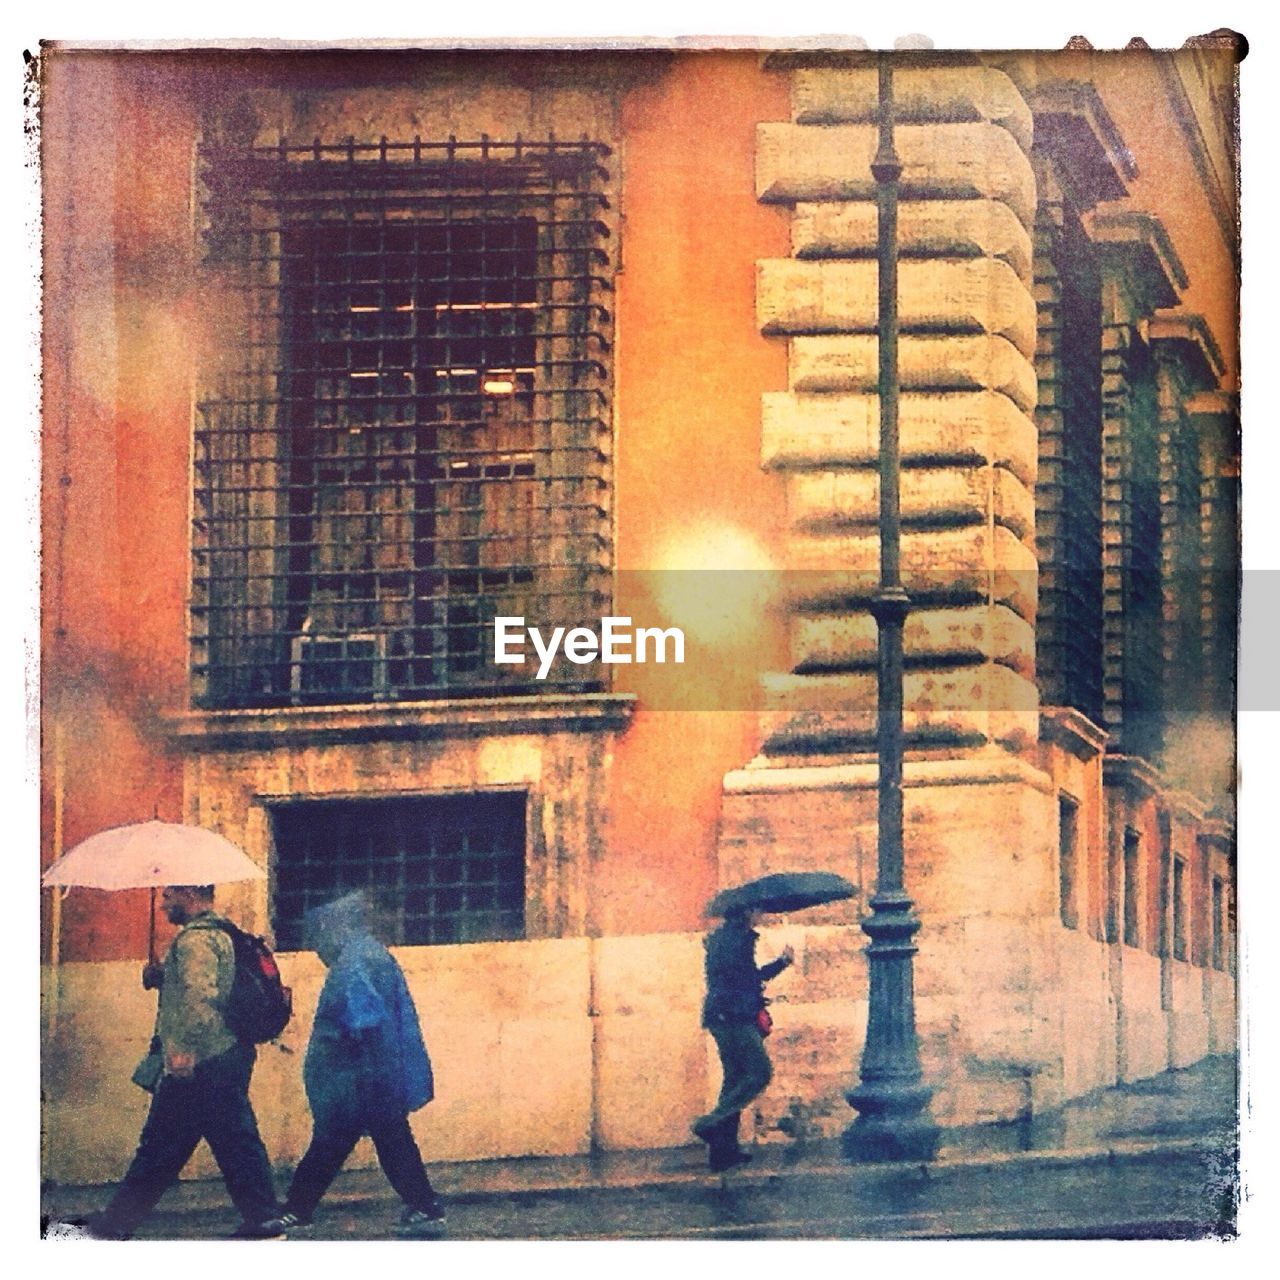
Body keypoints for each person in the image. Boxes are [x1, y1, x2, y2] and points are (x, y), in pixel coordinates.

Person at [87, 884, 283, 1239]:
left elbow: (201, 998)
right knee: (231, 1140)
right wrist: (162, 977)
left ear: (190, 894)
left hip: (201, 1060)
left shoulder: (195, 941)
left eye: (168, 896)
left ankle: (115, 1224)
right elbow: (211, 986)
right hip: (225, 1055)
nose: (162, 905)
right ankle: (264, 1218)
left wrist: (185, 1051)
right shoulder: (222, 933)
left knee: (163, 1146)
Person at [278, 892, 445, 1237]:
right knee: (386, 1138)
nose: (317, 947)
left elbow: (360, 1017)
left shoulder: (355, 961)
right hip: (375, 1071)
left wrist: (347, 1062)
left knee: (334, 1141)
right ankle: (424, 1204)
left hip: (359, 1075)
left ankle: (298, 1208)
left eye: (318, 936)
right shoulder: (368, 954)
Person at [692, 907, 794, 1171]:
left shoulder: (723, 938)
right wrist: (782, 963)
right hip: (734, 1016)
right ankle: (710, 1123)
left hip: (722, 1015)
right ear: (746, 912)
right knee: (759, 1072)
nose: (760, 914)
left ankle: (723, 1152)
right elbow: (747, 979)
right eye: (757, 910)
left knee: (735, 1079)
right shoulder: (738, 939)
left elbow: (738, 979)